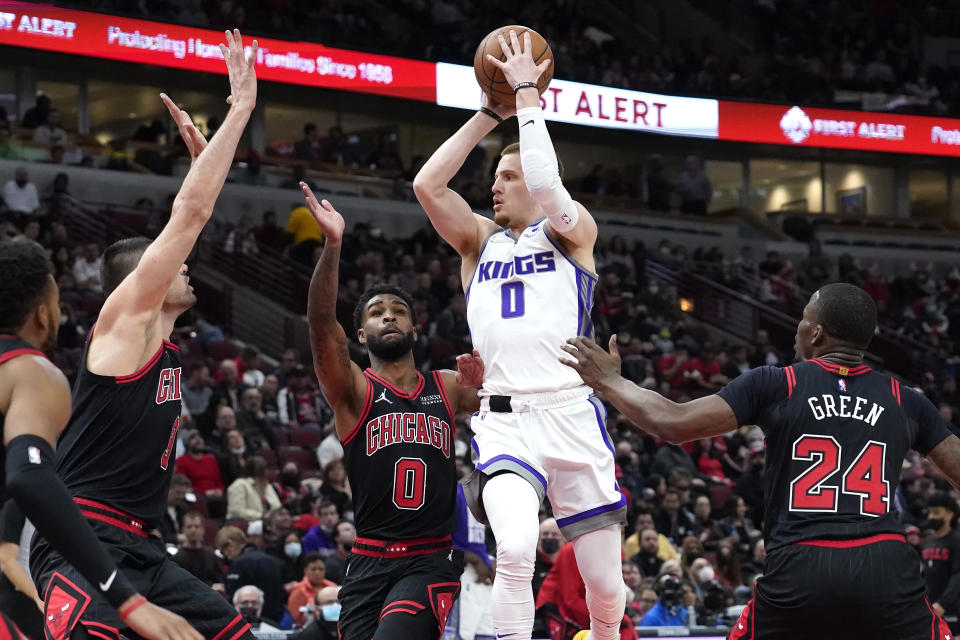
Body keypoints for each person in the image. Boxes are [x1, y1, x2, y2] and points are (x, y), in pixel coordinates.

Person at [561, 282, 960, 640]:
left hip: (802, 561)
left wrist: (612, 382)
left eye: (804, 319)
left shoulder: (777, 383)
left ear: (816, 333)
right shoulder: (905, 399)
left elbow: (672, 422)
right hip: (884, 563)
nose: (799, 328)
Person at [30, 30, 260, 640]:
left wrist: (199, 164)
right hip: (83, 539)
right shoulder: (122, 322)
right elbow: (190, 215)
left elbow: (190, 221)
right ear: (139, 280)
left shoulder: (159, 337)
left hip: (143, 549)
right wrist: (239, 110)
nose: (186, 265)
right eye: (169, 262)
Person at [413, 30, 624, 640]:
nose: (494, 186)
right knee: (513, 551)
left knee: (606, 585)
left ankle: (607, 635)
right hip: (505, 419)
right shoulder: (478, 242)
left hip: (571, 413)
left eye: (506, 177)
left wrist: (528, 95)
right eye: (495, 178)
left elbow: (546, 181)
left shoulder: (571, 230)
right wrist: (489, 113)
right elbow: (428, 187)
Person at [300, 182, 484, 639]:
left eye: (399, 311)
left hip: (431, 555)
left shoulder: (447, 385)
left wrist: (486, 385)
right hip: (368, 557)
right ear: (360, 335)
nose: (389, 316)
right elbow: (322, 323)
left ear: (416, 330)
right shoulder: (353, 391)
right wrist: (333, 245)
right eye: (377, 312)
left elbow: (505, 404)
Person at [0, 242, 201, 640]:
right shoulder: (32, 374)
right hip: (69, 565)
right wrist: (124, 596)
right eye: (57, 300)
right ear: (43, 315)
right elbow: (28, 478)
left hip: (129, 546)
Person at [217, 526, 286, 624]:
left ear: (230, 544)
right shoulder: (271, 559)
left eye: (223, 552)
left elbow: (233, 597)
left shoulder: (239, 564)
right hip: (275, 621)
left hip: (251, 622)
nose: (226, 557)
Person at [920, 492, 960, 630]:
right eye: (930, 512)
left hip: (951, 608)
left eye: (936, 513)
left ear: (950, 514)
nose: (931, 517)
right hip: (929, 607)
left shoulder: (956, 541)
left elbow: (958, 575)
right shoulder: (927, 541)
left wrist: (943, 603)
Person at [173, 511, 225, 587]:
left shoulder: (210, 555)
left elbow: (220, 580)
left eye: (196, 526)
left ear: (203, 529)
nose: (193, 530)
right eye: (189, 527)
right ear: (183, 530)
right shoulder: (177, 558)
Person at [287, 553, 337, 627]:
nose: (317, 572)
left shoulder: (333, 587)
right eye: (313, 569)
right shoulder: (298, 590)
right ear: (305, 571)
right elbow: (295, 617)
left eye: (321, 569)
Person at [226, 455, 281, 521]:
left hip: (266, 523)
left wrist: (277, 516)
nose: (266, 472)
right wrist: (261, 516)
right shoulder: (239, 485)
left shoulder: (267, 486)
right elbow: (236, 511)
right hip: (244, 523)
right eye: (263, 469)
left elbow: (277, 507)